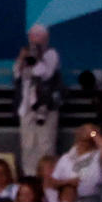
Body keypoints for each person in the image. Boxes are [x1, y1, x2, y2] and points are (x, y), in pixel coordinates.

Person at [12, 25, 62, 179]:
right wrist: (22, 58)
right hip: (27, 106)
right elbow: (16, 75)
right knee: (27, 144)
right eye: (32, 37)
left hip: (45, 107)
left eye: (38, 38)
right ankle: (29, 176)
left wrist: (38, 57)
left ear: (45, 38)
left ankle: (47, 177)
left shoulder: (51, 54)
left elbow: (45, 74)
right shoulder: (26, 53)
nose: (34, 41)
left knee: (45, 143)